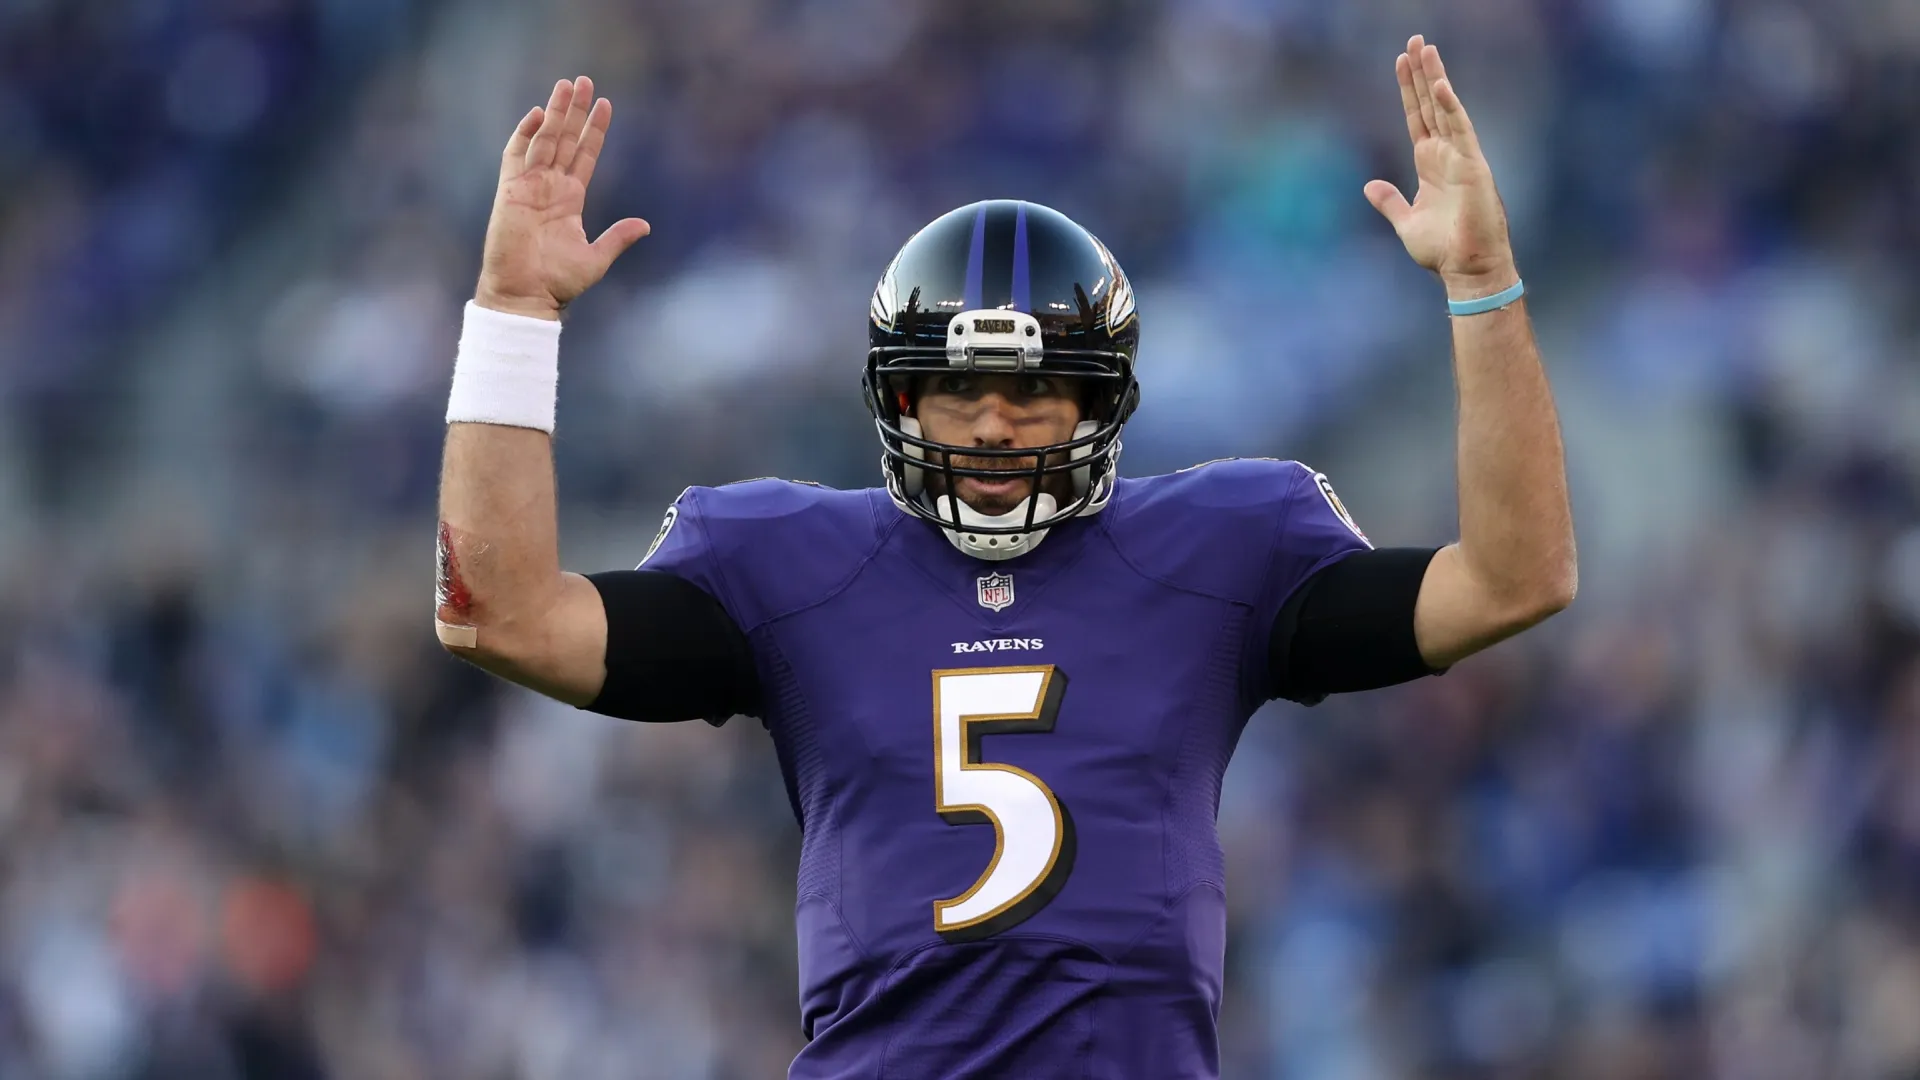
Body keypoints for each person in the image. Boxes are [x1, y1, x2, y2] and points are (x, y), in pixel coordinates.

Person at [435, 35, 1575, 1079]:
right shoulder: (789, 563)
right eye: (956, 388)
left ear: (1101, 401)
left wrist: (1482, 286)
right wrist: (512, 312)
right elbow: (499, 616)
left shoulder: (1220, 548)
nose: (991, 425)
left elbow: (1514, 581)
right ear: (899, 398)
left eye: (1034, 390)